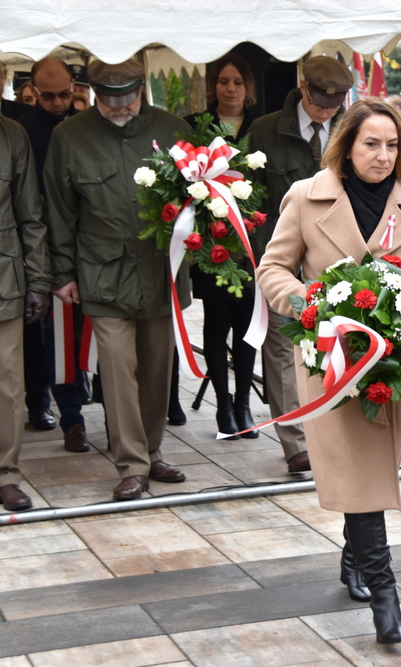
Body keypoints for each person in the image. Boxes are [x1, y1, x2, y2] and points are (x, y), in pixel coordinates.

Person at [257, 97, 401, 643]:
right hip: (329, 366)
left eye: (391, 145)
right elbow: (272, 269)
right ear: (347, 146)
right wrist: (312, 304)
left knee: (364, 475)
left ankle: (352, 558)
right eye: (370, 144)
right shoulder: (307, 198)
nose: (382, 155)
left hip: (390, 367)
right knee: (359, 473)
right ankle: (386, 598)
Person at [45, 57, 190, 501]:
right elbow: (59, 211)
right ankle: (131, 464)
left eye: (126, 98)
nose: (119, 107)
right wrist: (63, 273)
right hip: (101, 271)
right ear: (91, 93)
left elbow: (200, 195)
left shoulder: (172, 129)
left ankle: (151, 449)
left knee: (157, 369)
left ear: (141, 89)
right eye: (108, 100)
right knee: (117, 371)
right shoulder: (69, 137)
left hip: (159, 269)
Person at [247, 55, 353, 472]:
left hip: (338, 264)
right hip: (283, 257)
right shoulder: (265, 131)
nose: (327, 111)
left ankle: (335, 429)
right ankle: (296, 442)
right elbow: (248, 201)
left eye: (335, 103)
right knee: (281, 348)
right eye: (320, 102)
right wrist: (263, 258)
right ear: (303, 88)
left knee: (338, 345)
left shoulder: (351, 129)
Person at [184, 53, 262, 439]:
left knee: (248, 328)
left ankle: (245, 406)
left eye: (237, 82)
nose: (230, 88)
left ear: (248, 88)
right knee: (216, 326)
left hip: (252, 246)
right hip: (211, 245)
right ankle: (223, 407)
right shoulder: (196, 128)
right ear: (213, 86)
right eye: (223, 81)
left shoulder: (260, 129)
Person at [18, 57, 91, 451]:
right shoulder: (25, 132)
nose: (57, 102)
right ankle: (53, 409)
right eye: (47, 96)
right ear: (33, 90)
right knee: (45, 334)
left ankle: (78, 404)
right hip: (40, 245)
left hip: (86, 243)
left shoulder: (84, 127)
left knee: (85, 332)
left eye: (65, 94)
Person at [0, 114, 51, 512]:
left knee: (8, 381)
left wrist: (38, 281)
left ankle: (6, 474)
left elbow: (30, 214)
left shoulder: (11, 134)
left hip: (5, 277)